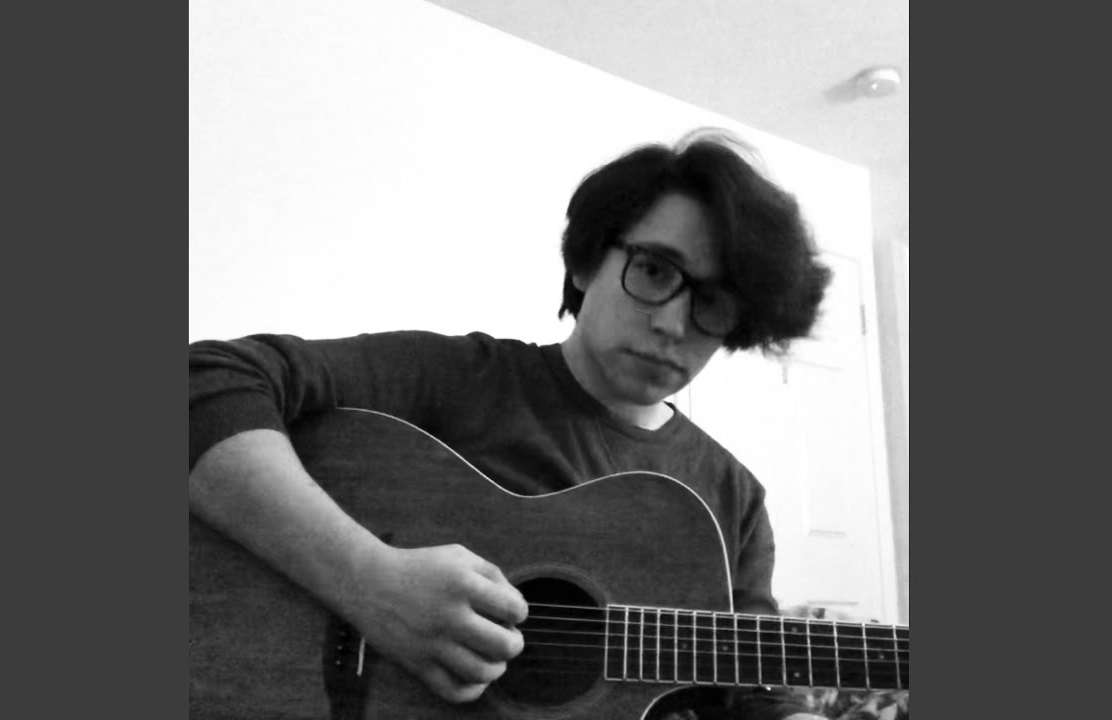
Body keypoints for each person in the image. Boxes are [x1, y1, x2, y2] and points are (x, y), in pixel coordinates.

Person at [189, 128, 834, 720]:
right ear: (586, 262)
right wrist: (370, 583)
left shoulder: (734, 498)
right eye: (655, 271)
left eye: (713, 302)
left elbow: (751, 693)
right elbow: (206, 379)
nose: (673, 323)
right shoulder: (464, 379)